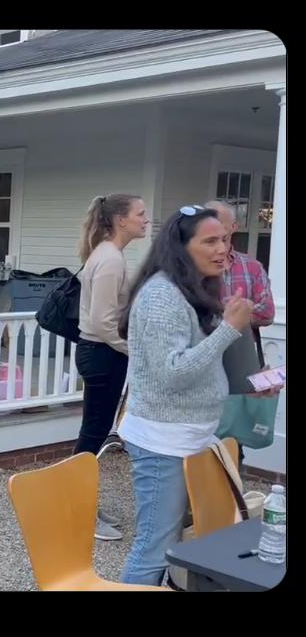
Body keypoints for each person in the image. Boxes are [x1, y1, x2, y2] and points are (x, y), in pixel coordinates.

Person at [117, 205, 281, 586]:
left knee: (197, 541)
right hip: (163, 444)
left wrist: (252, 387)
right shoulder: (161, 295)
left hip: (194, 438)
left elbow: (203, 365)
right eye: (209, 241)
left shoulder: (197, 290)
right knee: (154, 549)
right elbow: (172, 374)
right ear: (180, 248)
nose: (222, 248)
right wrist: (228, 329)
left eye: (223, 239)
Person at [74, 193, 148, 540]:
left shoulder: (108, 255)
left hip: (102, 353)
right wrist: (133, 350)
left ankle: (81, 504)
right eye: (140, 214)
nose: (145, 220)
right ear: (120, 220)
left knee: (95, 433)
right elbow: (104, 323)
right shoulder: (110, 260)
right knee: (93, 436)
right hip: (102, 354)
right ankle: (78, 510)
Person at [204, 199, 275, 463]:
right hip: (205, 360)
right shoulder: (193, 268)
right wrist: (236, 314)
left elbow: (267, 311)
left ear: (233, 226)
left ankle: (231, 495)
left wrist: (230, 317)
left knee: (233, 438)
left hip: (240, 361)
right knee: (202, 436)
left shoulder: (251, 267)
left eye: (218, 222)